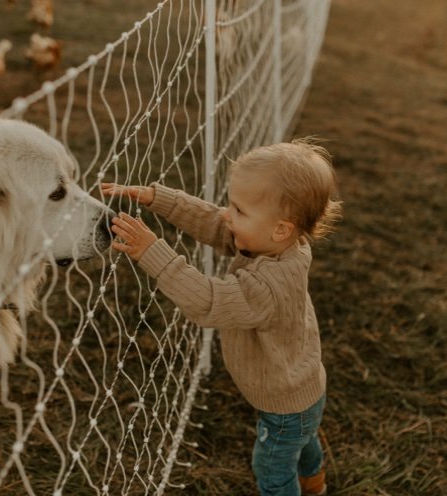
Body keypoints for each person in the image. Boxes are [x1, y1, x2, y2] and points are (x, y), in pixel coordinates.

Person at [101, 138, 341, 496]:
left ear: (280, 228)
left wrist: (153, 253)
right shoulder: (279, 244)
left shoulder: (269, 284)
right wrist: (159, 199)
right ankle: (315, 484)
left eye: (240, 210)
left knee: (272, 467)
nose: (228, 214)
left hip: (285, 400)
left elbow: (209, 302)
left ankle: (304, 485)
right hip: (304, 388)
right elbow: (214, 222)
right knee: (304, 442)